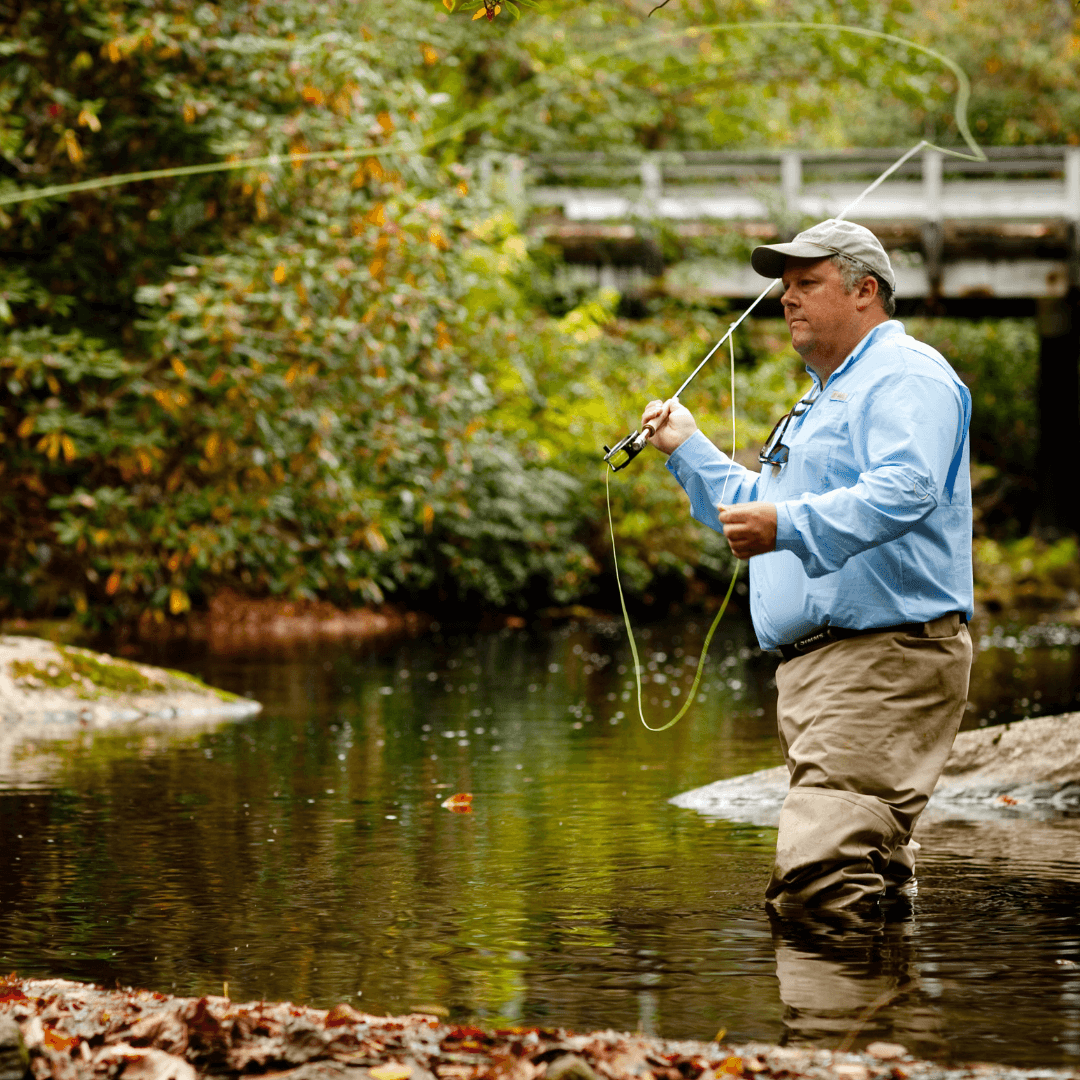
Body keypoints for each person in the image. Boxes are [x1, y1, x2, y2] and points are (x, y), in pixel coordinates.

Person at [641, 219, 973, 913]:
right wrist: (688, 448)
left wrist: (785, 522)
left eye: (806, 284)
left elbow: (906, 489)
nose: (786, 300)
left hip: (882, 657)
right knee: (864, 874)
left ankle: (833, 1025)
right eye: (784, 287)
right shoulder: (822, 397)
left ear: (865, 291)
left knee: (821, 880)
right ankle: (880, 1018)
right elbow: (761, 510)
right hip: (821, 671)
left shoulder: (906, 375)